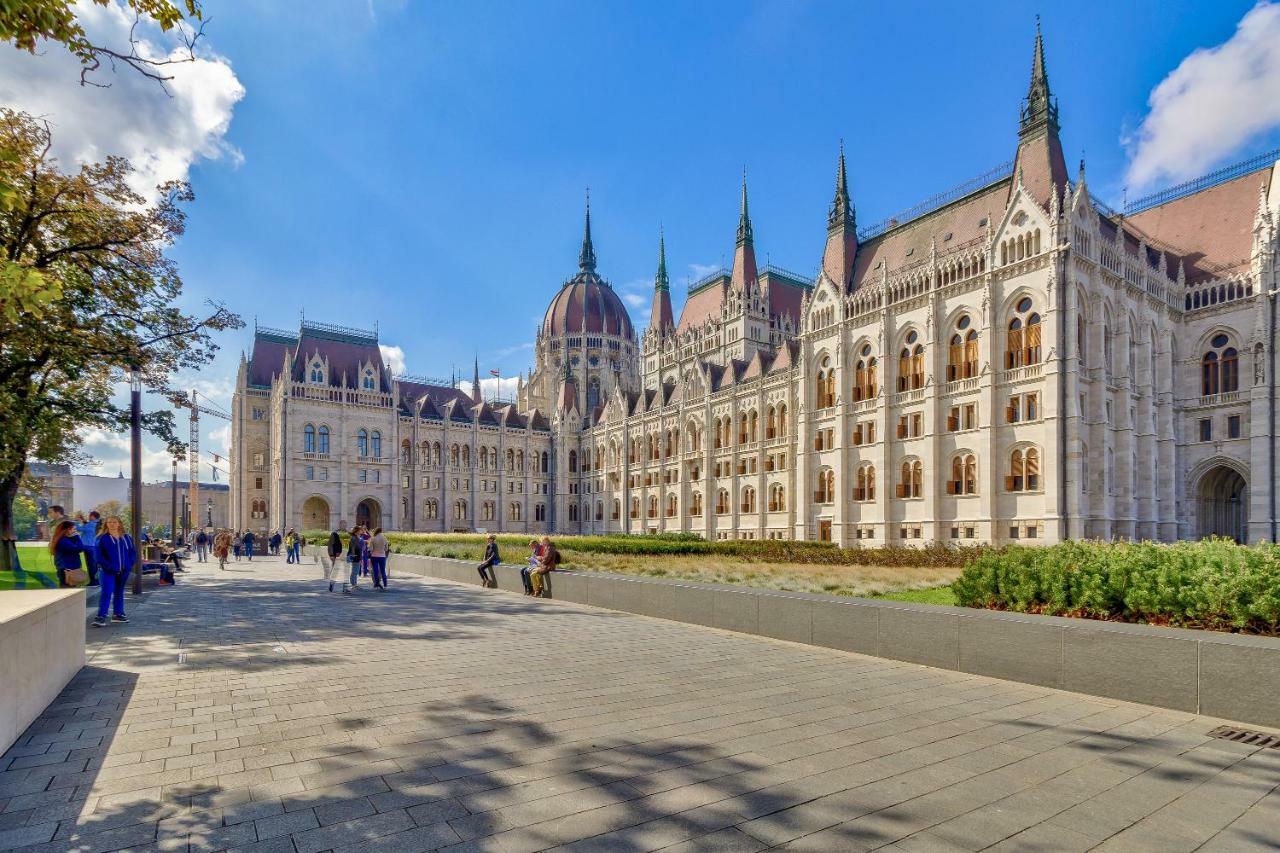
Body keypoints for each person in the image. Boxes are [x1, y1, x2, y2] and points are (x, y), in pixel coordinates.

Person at [94, 515, 135, 627]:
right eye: (109, 522)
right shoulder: (102, 538)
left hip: (123, 571)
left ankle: (118, 614)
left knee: (119, 592)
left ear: (119, 524)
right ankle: (101, 616)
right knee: (106, 592)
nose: (112, 524)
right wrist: (109, 566)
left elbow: (132, 552)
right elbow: (98, 556)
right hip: (107, 571)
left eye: (114, 522)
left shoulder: (126, 538)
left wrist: (129, 565)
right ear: (106, 524)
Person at [50, 519, 85, 588]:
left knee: (69, 590)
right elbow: (79, 548)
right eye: (73, 529)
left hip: (68, 569)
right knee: (67, 590)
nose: (75, 531)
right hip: (67, 570)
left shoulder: (64, 539)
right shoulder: (63, 540)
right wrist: (77, 537)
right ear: (67, 530)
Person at [77, 511, 101, 586]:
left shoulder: (90, 524)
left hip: (88, 547)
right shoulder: (98, 524)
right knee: (95, 564)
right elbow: (86, 526)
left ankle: (93, 582)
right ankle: (97, 581)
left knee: (91, 565)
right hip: (95, 546)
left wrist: (76, 521)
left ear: (93, 516)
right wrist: (83, 520)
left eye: (89, 516)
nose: (88, 517)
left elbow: (79, 528)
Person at [345, 526, 364, 592]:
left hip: (358, 556)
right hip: (355, 556)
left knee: (356, 570)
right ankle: (353, 584)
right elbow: (352, 547)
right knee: (355, 571)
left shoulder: (357, 538)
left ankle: (354, 584)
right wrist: (353, 555)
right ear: (356, 531)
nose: (361, 531)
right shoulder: (354, 538)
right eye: (360, 530)